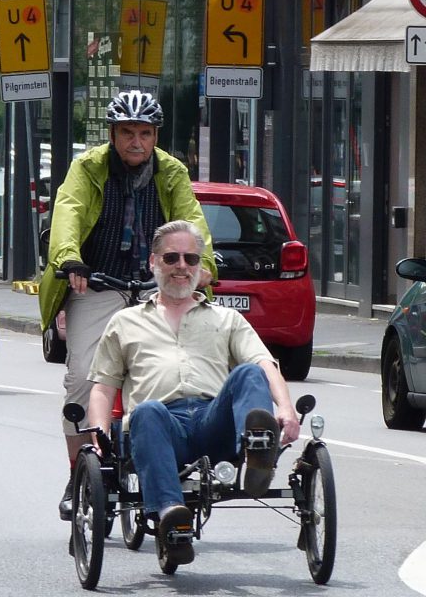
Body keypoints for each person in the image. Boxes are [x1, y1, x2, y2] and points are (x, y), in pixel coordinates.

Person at [37, 90, 216, 522]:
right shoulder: (88, 166)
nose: (136, 142)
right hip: (98, 280)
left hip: (155, 283)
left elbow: (192, 222)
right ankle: (78, 471)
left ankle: (169, 463)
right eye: (127, 133)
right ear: (113, 134)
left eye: (145, 133)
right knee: (83, 375)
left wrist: (203, 264)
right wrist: (69, 259)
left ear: (155, 136)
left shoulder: (170, 171)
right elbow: (69, 211)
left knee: (176, 371)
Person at [85, 220, 300, 566]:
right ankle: (174, 517)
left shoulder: (227, 319)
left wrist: (286, 409)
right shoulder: (125, 322)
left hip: (213, 421)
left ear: (201, 269)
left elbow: (265, 364)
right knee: (146, 411)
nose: (181, 266)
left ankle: (259, 448)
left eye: (190, 259)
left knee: (248, 370)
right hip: (161, 427)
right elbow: (103, 386)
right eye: (171, 258)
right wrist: (99, 433)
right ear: (153, 263)